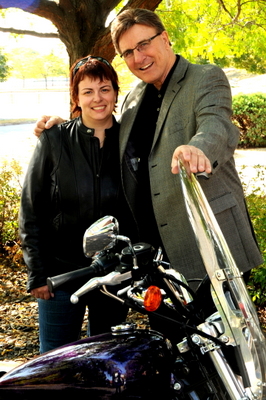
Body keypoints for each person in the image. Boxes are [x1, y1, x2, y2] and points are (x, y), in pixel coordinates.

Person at [33, 9, 263, 287]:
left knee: (219, 331)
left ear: (165, 38)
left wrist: (198, 149)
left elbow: (217, 124)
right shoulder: (133, 98)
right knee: (168, 331)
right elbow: (109, 137)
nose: (138, 58)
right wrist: (66, 131)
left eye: (144, 45)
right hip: (153, 258)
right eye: (128, 52)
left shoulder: (204, 78)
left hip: (210, 244)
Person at [19, 56, 129, 354]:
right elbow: (30, 209)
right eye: (88, 91)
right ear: (76, 97)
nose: (98, 98)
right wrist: (37, 273)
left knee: (106, 360)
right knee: (54, 362)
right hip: (61, 274)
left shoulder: (130, 142)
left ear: (116, 92)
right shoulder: (54, 140)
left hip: (113, 274)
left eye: (105, 89)